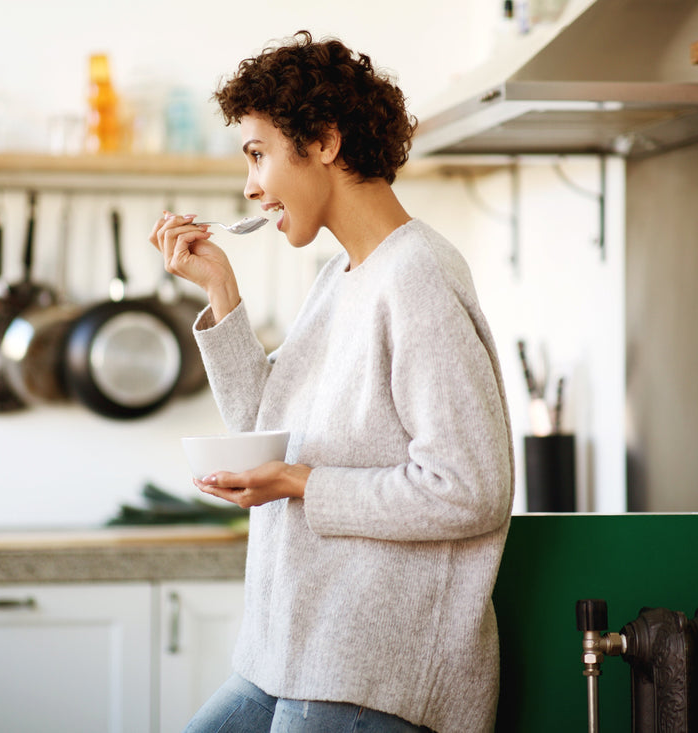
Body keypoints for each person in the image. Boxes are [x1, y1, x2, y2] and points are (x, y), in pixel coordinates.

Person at [150, 30, 514, 733]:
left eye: (258, 154)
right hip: (290, 650)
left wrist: (298, 482)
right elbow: (267, 420)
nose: (249, 185)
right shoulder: (338, 279)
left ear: (322, 141)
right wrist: (221, 288)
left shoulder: (418, 277)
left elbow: (470, 488)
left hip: (376, 672)